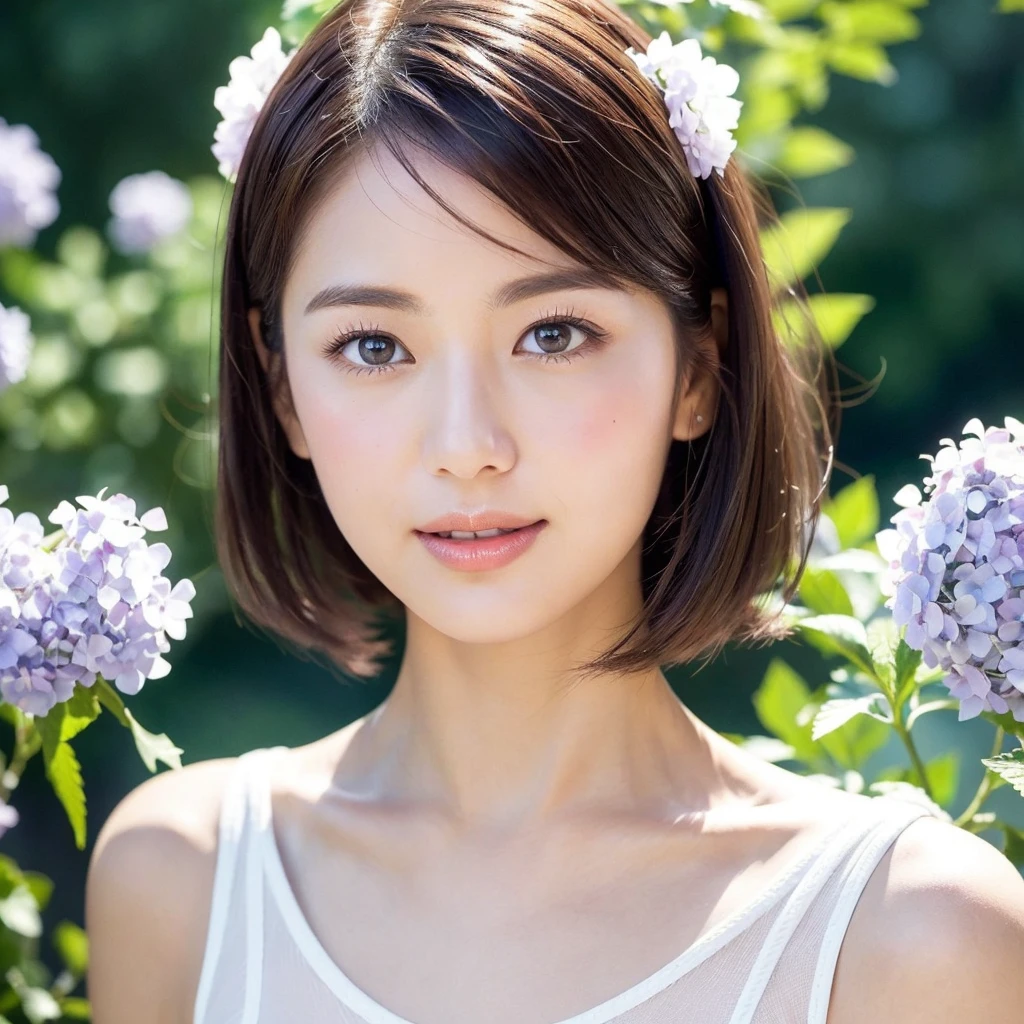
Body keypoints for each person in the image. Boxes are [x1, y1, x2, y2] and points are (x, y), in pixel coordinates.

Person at [84, 0, 1024, 1021]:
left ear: (697, 368)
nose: (467, 447)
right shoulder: (184, 882)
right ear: (281, 393)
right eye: (373, 346)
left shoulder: (912, 936)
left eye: (553, 334)